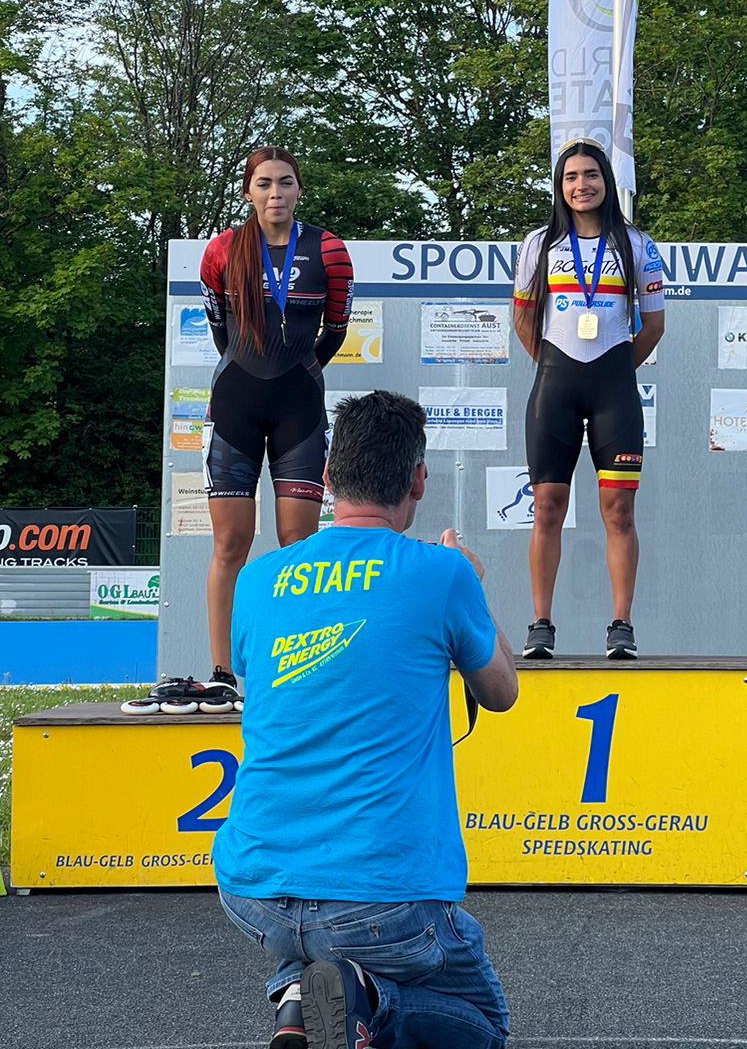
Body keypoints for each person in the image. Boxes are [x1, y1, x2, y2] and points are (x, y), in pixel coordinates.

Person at [214, 390, 518, 1049]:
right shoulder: (440, 573)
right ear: (416, 481)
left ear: (325, 478)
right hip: (386, 901)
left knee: (317, 942)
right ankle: (365, 1001)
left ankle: (297, 990)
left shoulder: (258, 579)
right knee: (484, 1027)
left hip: (254, 890)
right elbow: (500, 691)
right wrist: (473, 586)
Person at [197, 145, 354, 703]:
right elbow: (221, 331)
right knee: (230, 544)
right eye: (264, 184)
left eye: (285, 183)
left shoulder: (328, 250)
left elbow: (333, 331)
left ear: (299, 189)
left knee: (298, 544)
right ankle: (221, 672)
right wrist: (251, 368)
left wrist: (299, 370)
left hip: (300, 406)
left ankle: (297, 667)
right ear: (248, 192)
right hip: (237, 402)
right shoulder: (222, 251)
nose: (275, 194)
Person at [512, 139, 664, 660]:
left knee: (618, 510)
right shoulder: (539, 244)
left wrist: (616, 370)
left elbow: (655, 323)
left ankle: (621, 624)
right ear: (560, 185)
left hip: (613, 388)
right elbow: (524, 318)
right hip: (554, 384)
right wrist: (554, 366)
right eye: (572, 176)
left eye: (592, 175)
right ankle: (540, 624)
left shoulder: (637, 244)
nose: (582, 185)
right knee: (546, 509)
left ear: (606, 182)